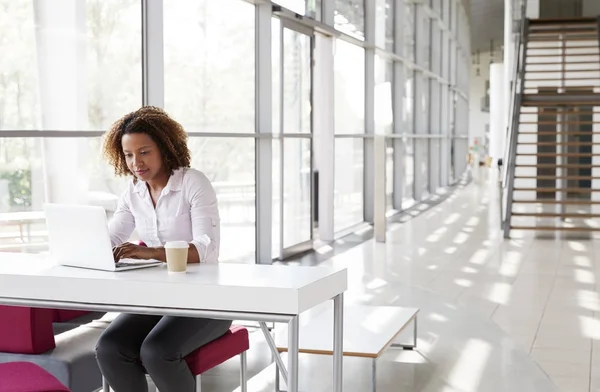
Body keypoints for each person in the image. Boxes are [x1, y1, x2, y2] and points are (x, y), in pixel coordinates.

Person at [95, 106, 232, 392]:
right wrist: (89, 247)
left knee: (157, 352)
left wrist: (152, 252)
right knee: (109, 347)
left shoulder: (193, 182)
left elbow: (205, 249)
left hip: (208, 302)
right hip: (159, 299)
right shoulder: (133, 193)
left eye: (144, 152)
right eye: (129, 155)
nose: (136, 163)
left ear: (165, 149)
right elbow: (111, 237)